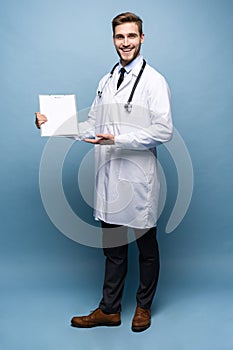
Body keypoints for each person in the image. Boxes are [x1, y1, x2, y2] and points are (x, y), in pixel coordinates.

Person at [35, 12, 173, 332]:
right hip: (109, 177)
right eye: (119, 37)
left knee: (146, 248)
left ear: (142, 38)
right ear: (113, 40)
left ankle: (143, 307)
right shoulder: (107, 80)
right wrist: (52, 123)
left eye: (131, 36)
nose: (125, 42)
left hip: (138, 178)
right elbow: (92, 126)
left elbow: (164, 131)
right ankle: (109, 310)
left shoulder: (154, 81)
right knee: (113, 249)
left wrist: (120, 138)